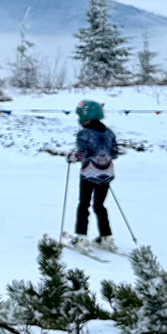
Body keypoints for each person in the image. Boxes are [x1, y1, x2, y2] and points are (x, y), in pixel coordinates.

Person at [68, 100, 119, 251]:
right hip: (106, 174)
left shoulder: (84, 134)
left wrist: (72, 157)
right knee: (99, 205)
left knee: (84, 204)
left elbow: (82, 154)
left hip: (89, 174)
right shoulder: (109, 132)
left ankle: (81, 237)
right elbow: (115, 152)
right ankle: (106, 237)